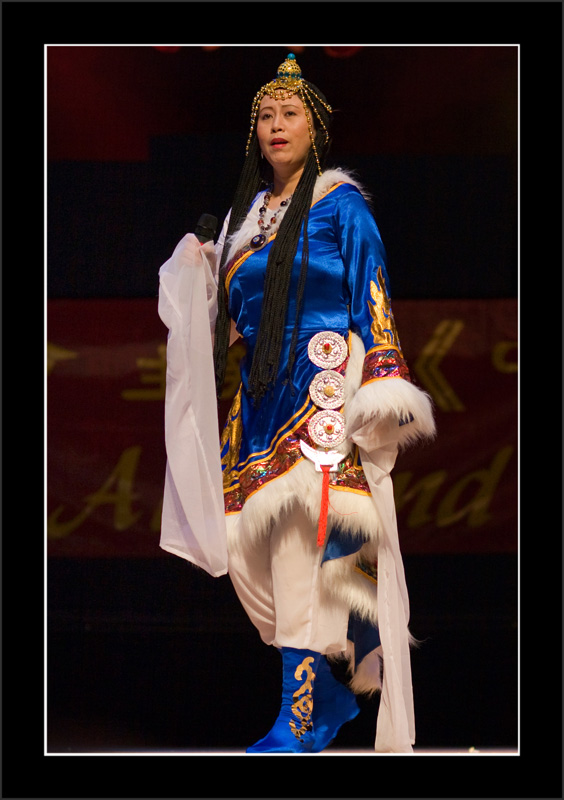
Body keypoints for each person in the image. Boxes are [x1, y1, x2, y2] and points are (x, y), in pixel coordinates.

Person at [158, 52, 436, 754]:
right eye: (265, 116)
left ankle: (302, 715)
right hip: (257, 405)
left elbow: (373, 299)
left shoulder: (341, 206)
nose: (275, 125)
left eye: (290, 115)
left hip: (322, 397)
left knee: (305, 551)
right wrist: (200, 271)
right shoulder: (243, 225)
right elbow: (227, 321)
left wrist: (379, 392)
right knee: (248, 559)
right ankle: (332, 694)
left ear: (316, 130)